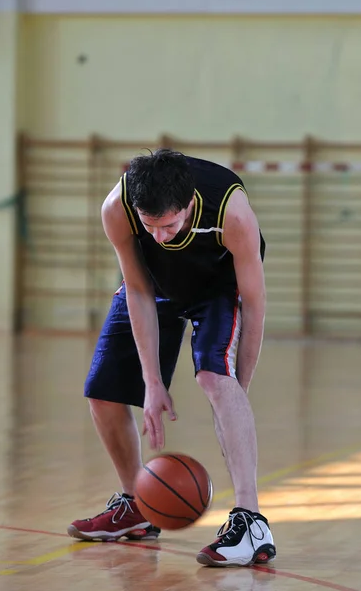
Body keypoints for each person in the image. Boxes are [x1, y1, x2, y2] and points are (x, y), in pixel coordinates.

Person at [67, 149, 276, 567]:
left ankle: (251, 523)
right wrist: (152, 381)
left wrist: (238, 385)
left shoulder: (231, 211)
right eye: (151, 227)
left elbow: (254, 303)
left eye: (170, 226)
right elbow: (138, 290)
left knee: (215, 380)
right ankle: (138, 507)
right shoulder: (118, 208)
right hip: (153, 284)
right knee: (102, 392)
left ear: (190, 206)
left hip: (217, 286)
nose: (160, 236)